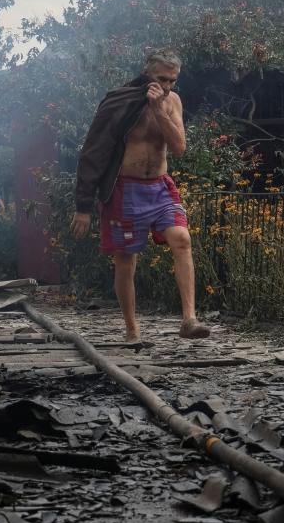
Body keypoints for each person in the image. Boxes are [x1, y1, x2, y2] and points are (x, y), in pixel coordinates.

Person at [70, 49, 210, 343]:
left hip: (160, 185)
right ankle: (132, 329)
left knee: (182, 240)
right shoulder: (121, 100)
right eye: (162, 78)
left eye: (173, 80)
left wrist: (160, 110)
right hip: (125, 189)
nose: (168, 85)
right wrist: (83, 206)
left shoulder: (172, 102)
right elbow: (94, 151)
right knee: (126, 260)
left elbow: (179, 147)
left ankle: (189, 319)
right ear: (148, 72)